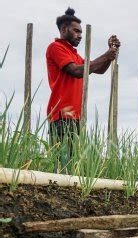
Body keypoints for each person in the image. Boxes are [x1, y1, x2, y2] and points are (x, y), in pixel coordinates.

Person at [46, 7, 120, 147]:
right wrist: (106, 55)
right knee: (62, 163)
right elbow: (76, 71)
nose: (80, 35)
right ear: (63, 29)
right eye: (76, 31)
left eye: (81, 32)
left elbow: (99, 69)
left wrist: (110, 53)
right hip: (62, 117)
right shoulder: (55, 47)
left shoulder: (74, 55)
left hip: (76, 117)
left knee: (73, 165)